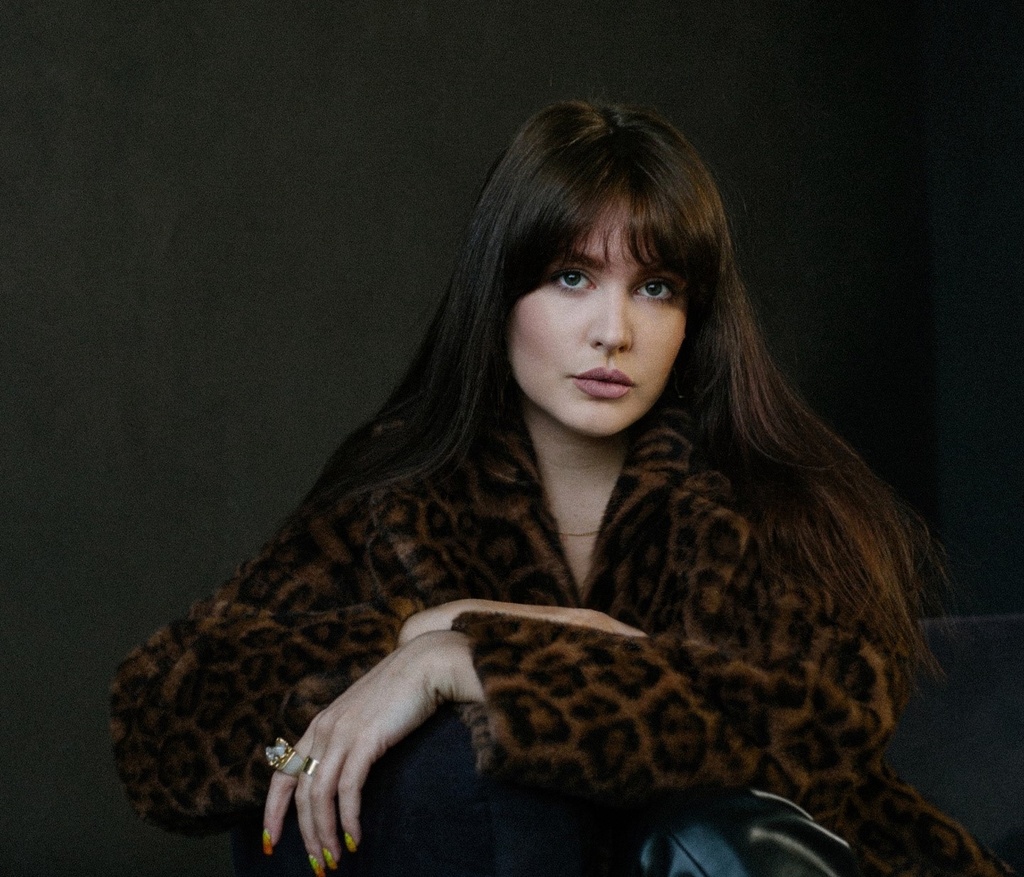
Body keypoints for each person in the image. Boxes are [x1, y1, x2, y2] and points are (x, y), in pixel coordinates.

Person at [110, 101, 1011, 877]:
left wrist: (464, 657)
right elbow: (166, 715)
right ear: (501, 292)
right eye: (571, 277)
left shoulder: (771, 501)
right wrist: (414, 639)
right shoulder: (395, 506)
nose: (613, 330)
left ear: (693, 317)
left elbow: (805, 731)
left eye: (655, 287)